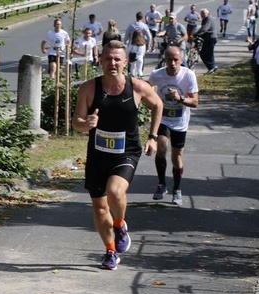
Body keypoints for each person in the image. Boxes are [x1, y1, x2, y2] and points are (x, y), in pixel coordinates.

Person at [72, 40, 163, 270]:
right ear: (100, 60)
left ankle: (120, 225)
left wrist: (152, 137)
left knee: (115, 191)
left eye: (116, 59)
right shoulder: (89, 89)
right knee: (100, 208)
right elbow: (76, 123)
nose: (112, 63)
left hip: (127, 153)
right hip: (98, 155)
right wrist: (87, 124)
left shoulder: (138, 87)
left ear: (125, 62)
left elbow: (158, 105)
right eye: (108, 58)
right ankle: (111, 251)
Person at [148, 46, 199, 206]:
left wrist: (180, 98)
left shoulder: (188, 75)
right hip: (162, 119)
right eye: (169, 59)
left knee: (176, 157)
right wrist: (153, 100)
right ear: (165, 60)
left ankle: (177, 189)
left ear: (181, 61)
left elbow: (195, 102)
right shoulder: (157, 75)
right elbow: (147, 90)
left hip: (180, 121)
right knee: (161, 147)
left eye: (176, 59)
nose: (172, 63)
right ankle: (161, 184)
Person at [193, 8, 219, 73]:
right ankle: (212, 67)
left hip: (211, 38)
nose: (202, 15)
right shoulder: (206, 19)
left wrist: (196, 34)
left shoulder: (208, 19)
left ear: (208, 13)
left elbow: (204, 29)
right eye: (201, 14)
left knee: (207, 53)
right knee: (206, 53)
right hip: (208, 38)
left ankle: (212, 67)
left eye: (204, 13)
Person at [249, 35, 259, 100]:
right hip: (257, 65)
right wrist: (251, 42)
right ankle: (257, 97)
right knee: (258, 82)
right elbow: (250, 48)